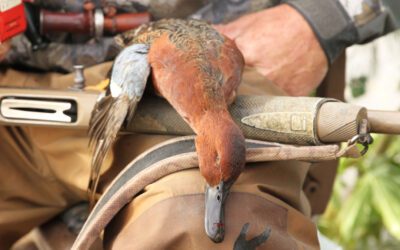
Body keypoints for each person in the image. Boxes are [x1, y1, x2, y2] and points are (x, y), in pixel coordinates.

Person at [0, 0, 398, 248]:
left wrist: (326, 16)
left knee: (206, 229)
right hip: (16, 77)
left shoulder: (214, 74)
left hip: (232, 49)